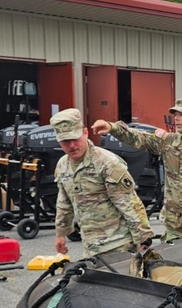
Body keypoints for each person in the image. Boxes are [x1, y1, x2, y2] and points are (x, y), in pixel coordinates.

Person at [92, 99, 182, 243]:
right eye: (175, 114)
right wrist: (112, 127)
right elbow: (140, 137)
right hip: (173, 227)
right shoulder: (168, 142)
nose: (176, 118)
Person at [51, 108, 153, 259]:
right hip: (90, 246)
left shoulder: (107, 162)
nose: (72, 145)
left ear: (85, 133)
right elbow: (64, 202)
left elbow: (129, 203)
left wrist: (143, 237)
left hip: (118, 244)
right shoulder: (62, 165)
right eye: (65, 141)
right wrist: (61, 233)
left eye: (75, 139)